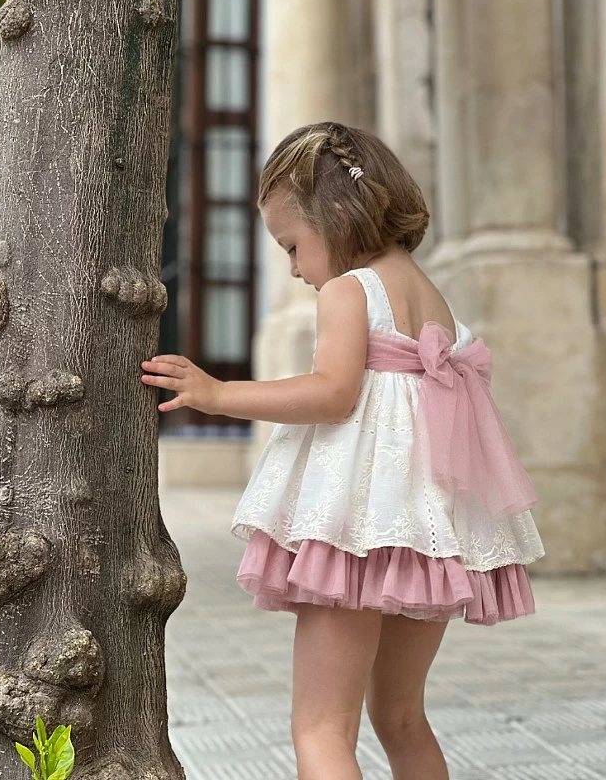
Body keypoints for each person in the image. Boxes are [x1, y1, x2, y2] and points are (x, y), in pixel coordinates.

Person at [141, 122, 544, 780]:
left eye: (293, 246)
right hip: (429, 529)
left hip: (356, 525)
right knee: (402, 717)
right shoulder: (435, 299)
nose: (295, 269)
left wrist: (217, 393)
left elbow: (333, 393)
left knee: (322, 727)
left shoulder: (349, 291)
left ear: (337, 216)